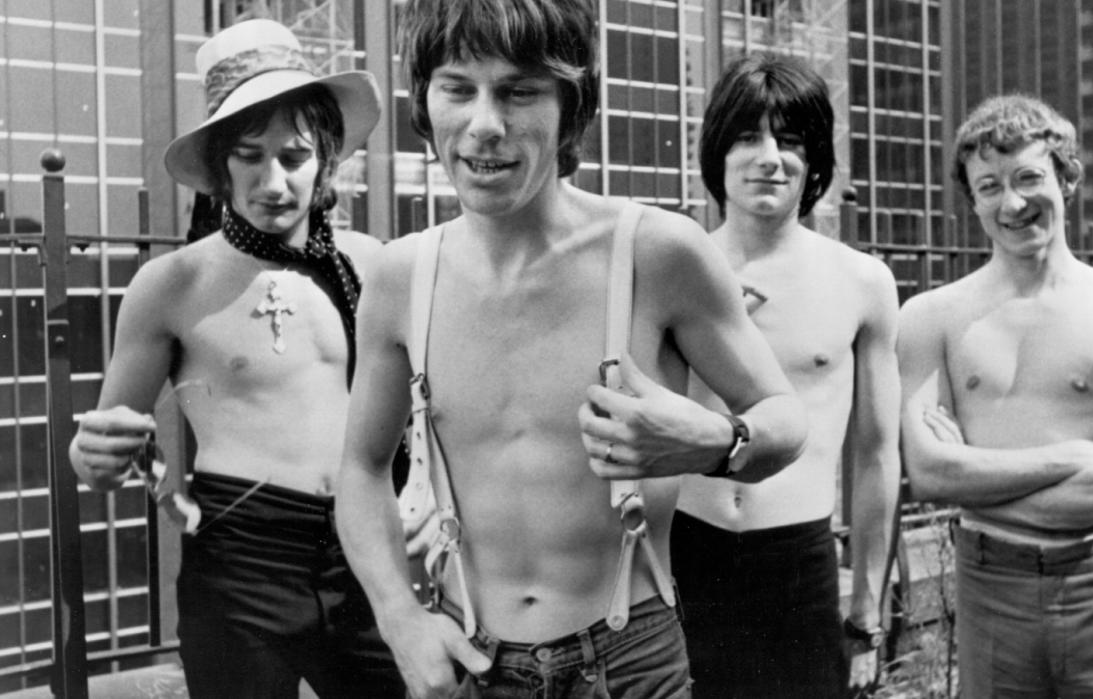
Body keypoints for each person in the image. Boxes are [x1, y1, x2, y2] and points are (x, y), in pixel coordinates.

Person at [334, 1, 808, 697]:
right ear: (424, 101)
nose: (485, 124)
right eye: (459, 88)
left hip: (631, 661)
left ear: (572, 107)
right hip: (473, 661)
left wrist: (716, 439)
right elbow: (360, 466)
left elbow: (785, 418)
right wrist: (400, 618)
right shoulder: (401, 277)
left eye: (520, 90)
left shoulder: (655, 252)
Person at [67, 18, 405, 698]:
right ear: (221, 163)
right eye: (249, 155)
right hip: (242, 560)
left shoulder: (370, 265)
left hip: (367, 552)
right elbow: (106, 448)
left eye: (293, 155)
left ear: (326, 158)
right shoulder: (173, 284)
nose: (273, 180)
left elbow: (423, 409)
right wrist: (99, 454)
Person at [897, 93, 1093, 698]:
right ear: (972, 201)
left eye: (1029, 178)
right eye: (990, 186)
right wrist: (1072, 457)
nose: (1014, 202)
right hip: (990, 590)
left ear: (1066, 178)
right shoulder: (930, 318)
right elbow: (931, 475)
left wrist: (980, 484)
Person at [671, 53, 901, 698]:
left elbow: (878, 454)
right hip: (684, 550)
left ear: (815, 161)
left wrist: (868, 612)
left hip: (797, 556)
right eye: (748, 136)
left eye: (790, 140)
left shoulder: (861, 282)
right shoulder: (669, 269)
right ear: (718, 150)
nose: (769, 157)